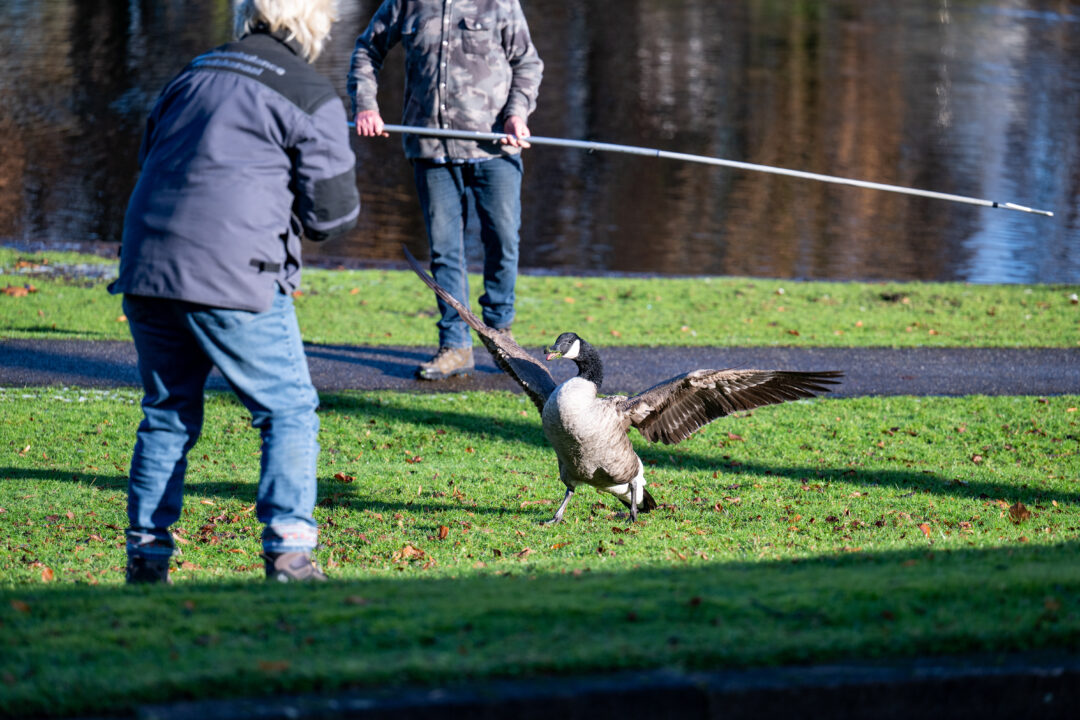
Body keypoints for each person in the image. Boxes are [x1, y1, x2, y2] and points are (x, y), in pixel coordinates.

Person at [109, 0, 360, 584]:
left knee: (168, 411)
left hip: (148, 264)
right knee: (288, 409)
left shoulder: (194, 72)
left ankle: (146, 557)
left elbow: (150, 157)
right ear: (313, 18)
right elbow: (332, 215)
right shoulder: (308, 91)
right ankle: (290, 555)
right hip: (232, 272)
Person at [348, 0, 543, 380]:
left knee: (503, 240)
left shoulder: (500, 3)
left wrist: (516, 113)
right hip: (430, 150)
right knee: (444, 250)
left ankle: (500, 335)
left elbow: (527, 62)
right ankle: (455, 345)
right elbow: (366, 49)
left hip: (494, 148)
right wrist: (366, 105)